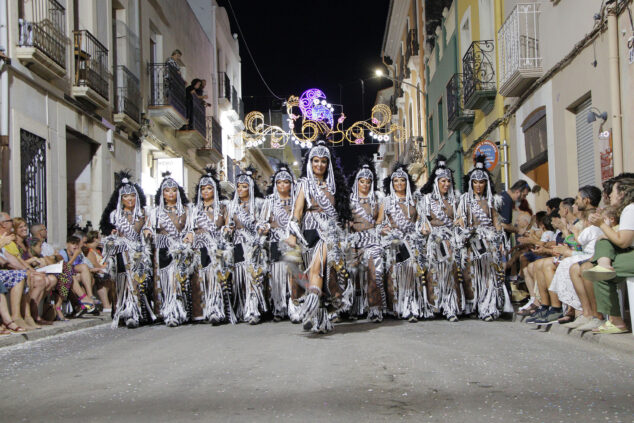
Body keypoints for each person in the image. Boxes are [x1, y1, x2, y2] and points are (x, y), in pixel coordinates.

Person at [286, 140, 352, 333]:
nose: (319, 165)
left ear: (328, 163)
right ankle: (319, 318)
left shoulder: (335, 186)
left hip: (330, 235)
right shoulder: (304, 184)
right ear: (310, 162)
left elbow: (342, 213)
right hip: (309, 232)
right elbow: (297, 211)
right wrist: (292, 234)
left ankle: (310, 310)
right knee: (317, 275)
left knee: (320, 270)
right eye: (316, 161)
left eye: (323, 161)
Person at [457, 155, 512, 321]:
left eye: (481, 182)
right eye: (475, 182)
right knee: (472, 274)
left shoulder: (491, 201)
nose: (478, 185)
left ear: (486, 183)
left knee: (491, 274)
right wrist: (466, 233)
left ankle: (489, 307)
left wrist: (500, 240)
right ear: (471, 183)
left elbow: (497, 222)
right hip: (472, 242)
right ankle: (475, 305)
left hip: (489, 243)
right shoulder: (465, 200)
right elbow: (460, 221)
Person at [100, 172, 153, 328]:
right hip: (121, 253)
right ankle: (124, 312)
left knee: (138, 282)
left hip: (138, 252)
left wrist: (146, 233)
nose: (129, 199)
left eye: (132, 196)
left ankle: (137, 312)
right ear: (120, 199)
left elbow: (148, 229)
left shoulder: (144, 213)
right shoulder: (114, 215)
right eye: (126, 197)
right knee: (123, 282)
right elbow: (108, 232)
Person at [582, 176, 634, 333]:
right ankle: (604, 265)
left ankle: (616, 321)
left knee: (600, 276)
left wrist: (602, 225)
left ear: (622, 193)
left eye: (612, 191)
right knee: (604, 241)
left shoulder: (630, 209)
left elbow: (623, 242)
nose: (610, 195)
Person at [379, 163, 425, 322]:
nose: (399, 184)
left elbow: (420, 219)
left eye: (402, 181)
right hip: (394, 243)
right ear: (391, 183)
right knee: (396, 276)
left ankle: (411, 307)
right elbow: (379, 223)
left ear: (407, 182)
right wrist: (384, 230)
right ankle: (398, 307)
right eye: (396, 181)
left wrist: (422, 228)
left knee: (411, 273)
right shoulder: (386, 201)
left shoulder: (414, 200)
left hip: (411, 242)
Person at [148, 172, 194, 327]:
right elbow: (148, 229)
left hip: (181, 250)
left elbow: (191, 228)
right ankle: (169, 312)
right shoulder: (155, 212)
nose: (171, 194)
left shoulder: (187, 210)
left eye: (174, 190)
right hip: (163, 249)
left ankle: (182, 311)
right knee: (167, 281)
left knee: (180, 280)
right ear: (162, 193)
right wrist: (147, 232)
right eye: (167, 191)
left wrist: (189, 234)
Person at [419, 156, 461, 321]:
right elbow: (422, 222)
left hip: (451, 241)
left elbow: (459, 219)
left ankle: (450, 307)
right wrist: (424, 229)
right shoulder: (428, 200)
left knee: (450, 273)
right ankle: (434, 306)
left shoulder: (455, 200)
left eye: (448, 181)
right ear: (436, 182)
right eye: (442, 181)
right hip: (433, 241)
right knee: (433, 274)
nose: (446, 184)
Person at [190, 166, 234, 324]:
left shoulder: (223, 207)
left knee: (217, 278)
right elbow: (189, 230)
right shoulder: (193, 209)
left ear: (215, 189)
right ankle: (202, 311)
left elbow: (229, 224)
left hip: (217, 249)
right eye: (203, 189)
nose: (206, 191)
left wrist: (227, 229)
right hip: (199, 248)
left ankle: (217, 310)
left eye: (209, 188)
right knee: (201, 279)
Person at [225, 168, 268, 324]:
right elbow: (228, 224)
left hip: (253, 245)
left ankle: (254, 309)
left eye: (244, 186)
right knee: (241, 279)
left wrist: (261, 229)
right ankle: (244, 308)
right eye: (238, 186)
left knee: (254, 277)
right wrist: (227, 229)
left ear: (250, 187)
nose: (240, 189)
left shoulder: (259, 203)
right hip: (238, 245)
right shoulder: (232, 206)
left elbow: (263, 222)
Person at [348, 162, 385, 322]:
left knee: (375, 271)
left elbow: (380, 219)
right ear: (357, 182)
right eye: (362, 181)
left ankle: (374, 307)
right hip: (354, 241)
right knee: (353, 274)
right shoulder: (349, 198)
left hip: (372, 239)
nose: (365, 184)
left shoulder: (377, 198)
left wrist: (380, 229)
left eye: (368, 182)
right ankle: (354, 308)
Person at [260, 164, 297, 322]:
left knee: (293, 274)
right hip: (276, 241)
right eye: (279, 182)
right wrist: (265, 227)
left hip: (292, 241)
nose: (282, 185)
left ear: (291, 184)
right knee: (277, 275)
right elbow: (262, 221)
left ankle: (295, 306)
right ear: (275, 184)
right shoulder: (269, 201)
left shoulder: (296, 200)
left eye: (286, 182)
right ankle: (279, 308)